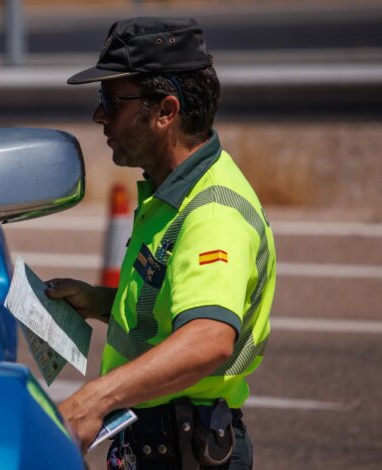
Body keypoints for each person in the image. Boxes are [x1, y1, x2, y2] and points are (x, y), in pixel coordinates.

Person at [45, 17, 276, 469]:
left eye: (111, 101)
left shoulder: (212, 212)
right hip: (158, 441)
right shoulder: (171, 193)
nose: (99, 116)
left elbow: (208, 339)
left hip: (180, 451)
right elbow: (176, 307)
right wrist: (98, 302)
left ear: (165, 111)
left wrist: (94, 399)